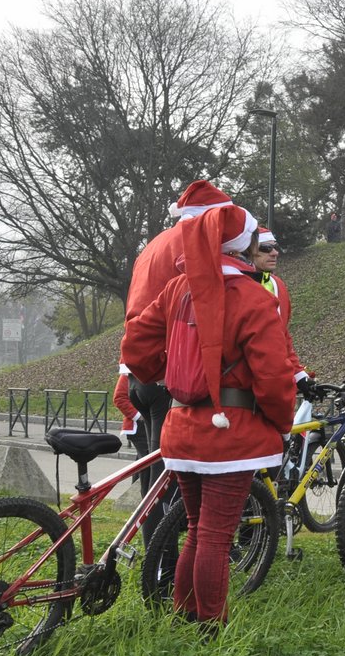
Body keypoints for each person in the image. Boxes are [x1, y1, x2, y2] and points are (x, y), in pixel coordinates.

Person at [122, 204, 297, 629]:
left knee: (198, 530)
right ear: (243, 246)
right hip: (229, 434)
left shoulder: (177, 288)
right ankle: (209, 630)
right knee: (216, 536)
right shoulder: (254, 297)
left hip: (180, 428)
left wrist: (161, 375)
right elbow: (274, 376)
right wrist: (281, 423)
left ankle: (184, 617)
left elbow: (135, 349)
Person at [121, 180, 239, 543]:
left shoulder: (153, 245)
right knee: (171, 474)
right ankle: (165, 563)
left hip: (138, 371)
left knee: (153, 471)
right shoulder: (194, 243)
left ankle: (155, 555)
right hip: (169, 370)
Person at [254, 226, 311, 390]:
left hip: (274, 381)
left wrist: (299, 374)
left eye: (275, 247)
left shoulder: (277, 285)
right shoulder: (236, 286)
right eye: (266, 248)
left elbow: (282, 336)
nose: (274, 253)